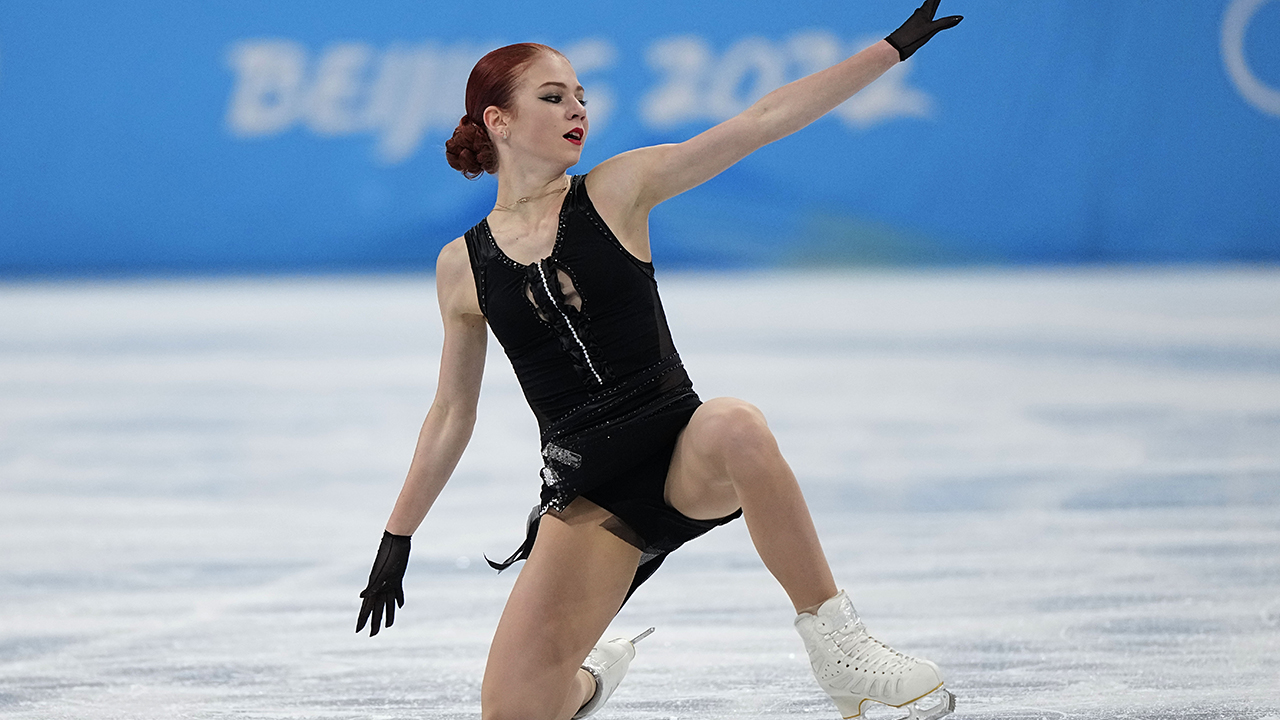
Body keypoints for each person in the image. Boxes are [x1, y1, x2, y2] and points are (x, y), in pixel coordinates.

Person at [356, 3, 963, 719]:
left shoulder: (620, 189)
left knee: (736, 422)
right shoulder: (461, 267)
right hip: (593, 494)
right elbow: (453, 412)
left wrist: (888, 52)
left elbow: (763, 120)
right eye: (553, 97)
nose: (577, 108)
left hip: (682, 455)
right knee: (514, 710)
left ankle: (839, 647)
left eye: (581, 95)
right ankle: (592, 677)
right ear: (499, 120)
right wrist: (399, 532)